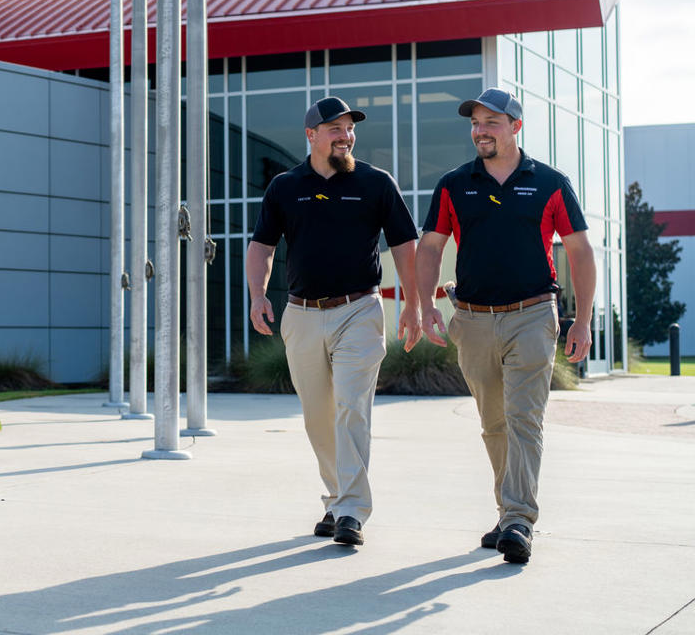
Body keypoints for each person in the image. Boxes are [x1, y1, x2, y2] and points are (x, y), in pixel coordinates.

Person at [416, 87, 595, 565]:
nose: (480, 130)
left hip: (533, 314)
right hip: (472, 319)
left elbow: (578, 250)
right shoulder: (455, 184)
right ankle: (507, 512)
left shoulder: (550, 182)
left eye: (491, 122)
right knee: (494, 423)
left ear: (516, 127)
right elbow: (431, 246)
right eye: (475, 123)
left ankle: (519, 519)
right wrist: (425, 305)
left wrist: (585, 320)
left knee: (524, 418)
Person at [248, 96, 421, 548]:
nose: (346, 136)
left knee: (351, 407)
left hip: (359, 310)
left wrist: (412, 303)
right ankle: (337, 498)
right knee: (318, 417)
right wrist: (257, 295)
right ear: (311, 135)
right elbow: (261, 247)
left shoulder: (375, 183)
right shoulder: (285, 186)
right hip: (302, 315)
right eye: (335, 129)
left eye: (349, 129)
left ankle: (351, 511)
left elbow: (405, 245)